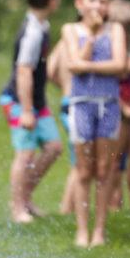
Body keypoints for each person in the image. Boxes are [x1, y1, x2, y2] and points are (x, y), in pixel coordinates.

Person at [62, 0, 126, 247]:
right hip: (81, 104)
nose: (98, 6)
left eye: (102, 1)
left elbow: (120, 65)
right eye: (92, 0)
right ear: (80, 3)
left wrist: (86, 65)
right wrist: (92, 38)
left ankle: (99, 229)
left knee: (105, 168)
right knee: (83, 169)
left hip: (109, 104)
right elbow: (74, 66)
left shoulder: (117, 29)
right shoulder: (70, 29)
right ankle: (81, 229)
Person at [0, 0, 64, 223]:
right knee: (25, 154)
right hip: (19, 102)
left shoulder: (42, 26)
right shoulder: (32, 33)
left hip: (37, 102)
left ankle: (24, 196)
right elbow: (24, 71)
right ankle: (17, 208)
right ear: (52, 1)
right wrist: (26, 110)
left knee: (53, 147)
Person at [107, 0, 130, 211]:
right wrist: (123, 106)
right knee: (115, 161)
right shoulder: (111, 50)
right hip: (117, 110)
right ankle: (114, 202)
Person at [47, 40, 79, 215]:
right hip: (79, 102)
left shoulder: (61, 43)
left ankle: (70, 207)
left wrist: (63, 86)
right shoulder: (83, 38)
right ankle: (66, 208)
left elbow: (50, 71)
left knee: (79, 158)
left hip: (65, 101)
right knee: (80, 161)